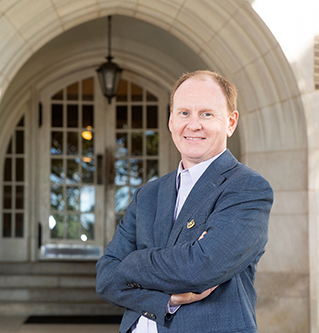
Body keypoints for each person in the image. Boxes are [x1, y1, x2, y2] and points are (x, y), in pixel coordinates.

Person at [95, 70, 273, 333]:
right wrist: (164, 299)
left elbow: (200, 268)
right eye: (184, 113)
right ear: (171, 120)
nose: (193, 124)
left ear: (231, 122)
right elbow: (106, 278)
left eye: (207, 114)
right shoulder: (148, 194)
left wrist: (131, 262)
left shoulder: (247, 188)